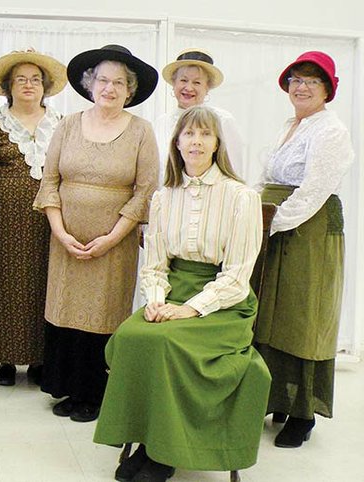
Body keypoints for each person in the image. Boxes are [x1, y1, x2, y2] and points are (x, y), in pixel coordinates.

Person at [94, 106, 270, 482]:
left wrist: (191, 309)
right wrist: (157, 300)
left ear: (217, 143)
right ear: (176, 142)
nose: (196, 141)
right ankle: (144, 439)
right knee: (131, 336)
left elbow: (238, 275)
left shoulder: (241, 197)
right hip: (173, 291)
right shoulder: (163, 197)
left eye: (205, 134)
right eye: (188, 134)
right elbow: (156, 264)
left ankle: (163, 454)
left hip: (224, 302)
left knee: (167, 344)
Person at [32, 45, 158, 422]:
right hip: (65, 240)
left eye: (119, 82)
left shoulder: (141, 131)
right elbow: (50, 180)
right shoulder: (68, 124)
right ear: (90, 84)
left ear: (129, 90)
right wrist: (60, 231)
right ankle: (68, 388)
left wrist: (112, 238)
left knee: (103, 315)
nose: (110, 88)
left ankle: (96, 394)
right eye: (103, 79)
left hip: (114, 245)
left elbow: (146, 191)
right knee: (66, 311)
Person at [254, 51, 354, 448]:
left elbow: (313, 190)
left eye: (312, 80)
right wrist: (251, 212)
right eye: (295, 79)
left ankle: (303, 412)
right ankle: (276, 397)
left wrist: (270, 224)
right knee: (271, 313)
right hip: (275, 221)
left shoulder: (331, 130)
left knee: (303, 315)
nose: (301, 86)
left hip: (308, 227)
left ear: (327, 89)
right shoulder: (288, 126)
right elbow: (265, 176)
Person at [0, 48, 66, 386]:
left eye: (35, 80)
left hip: (51, 220)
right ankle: (6, 360)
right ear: (9, 86)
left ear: (44, 87)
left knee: (45, 284)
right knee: (3, 286)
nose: (28, 85)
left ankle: (42, 358)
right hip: (2, 220)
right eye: (21, 80)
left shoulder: (62, 124)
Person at [155, 49, 244, 183]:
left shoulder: (222, 120)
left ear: (207, 87)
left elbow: (234, 171)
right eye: (183, 80)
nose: (188, 88)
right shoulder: (161, 123)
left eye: (197, 82)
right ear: (173, 83)